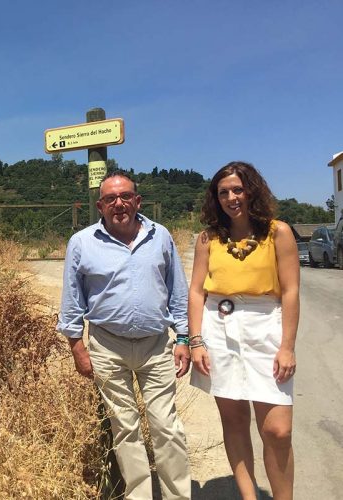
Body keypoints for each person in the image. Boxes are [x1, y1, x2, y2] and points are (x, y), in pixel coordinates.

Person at [57, 170, 192, 500]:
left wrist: (185, 338)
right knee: (125, 429)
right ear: (100, 206)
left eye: (125, 197)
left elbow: (177, 290)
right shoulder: (82, 243)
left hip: (157, 346)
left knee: (166, 428)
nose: (119, 204)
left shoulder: (161, 236)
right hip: (107, 346)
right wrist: (77, 346)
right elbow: (72, 299)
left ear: (137, 200)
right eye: (110, 199)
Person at [189, 161, 298, 499]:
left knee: (278, 431)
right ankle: (248, 496)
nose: (231, 197)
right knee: (234, 423)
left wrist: (287, 346)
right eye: (223, 192)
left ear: (252, 190)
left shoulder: (277, 232)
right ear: (215, 198)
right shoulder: (208, 238)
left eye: (238, 189)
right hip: (219, 328)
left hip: (266, 329)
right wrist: (196, 341)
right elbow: (196, 291)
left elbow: (291, 291)